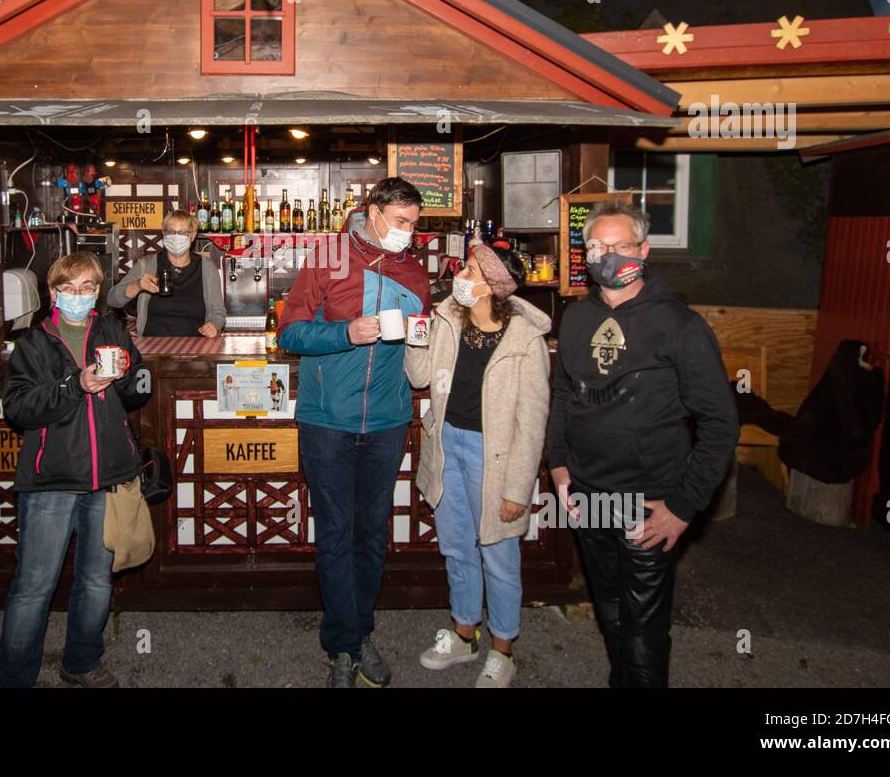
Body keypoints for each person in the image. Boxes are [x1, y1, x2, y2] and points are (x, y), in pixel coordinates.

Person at [545, 200, 738, 687]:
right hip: (589, 494)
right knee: (609, 608)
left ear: (644, 251)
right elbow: (563, 395)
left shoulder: (679, 324)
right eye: (595, 246)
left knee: (644, 627)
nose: (606, 254)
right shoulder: (574, 318)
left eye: (619, 245)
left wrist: (684, 505)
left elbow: (719, 423)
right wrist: (561, 468)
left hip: (649, 500)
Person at [277, 177, 431, 687]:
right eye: (400, 222)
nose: (408, 233)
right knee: (336, 536)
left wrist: (425, 333)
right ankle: (342, 647)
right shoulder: (327, 257)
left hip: (388, 420)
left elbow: (423, 342)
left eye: (414, 224)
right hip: (327, 420)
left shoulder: (414, 269)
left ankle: (360, 633)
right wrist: (346, 332)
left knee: (371, 536)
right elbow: (291, 332)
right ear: (373, 211)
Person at [0, 252, 151, 688]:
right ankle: (14, 677)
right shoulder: (34, 341)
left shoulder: (112, 330)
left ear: (98, 292)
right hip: (52, 479)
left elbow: (141, 387)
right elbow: (19, 408)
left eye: (87, 288)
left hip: (106, 476)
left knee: (96, 582)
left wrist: (128, 377)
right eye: (69, 288)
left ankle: (82, 662)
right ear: (53, 293)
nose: (79, 296)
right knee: (33, 588)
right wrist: (74, 385)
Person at [405, 241, 550, 687]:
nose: (459, 276)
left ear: (492, 285)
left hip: (497, 457)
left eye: (469, 270)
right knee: (456, 547)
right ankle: (464, 632)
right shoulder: (447, 319)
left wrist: (517, 490)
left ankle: (503, 648)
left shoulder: (525, 340)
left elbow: (533, 420)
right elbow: (419, 377)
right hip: (448, 446)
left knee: (499, 553)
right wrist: (417, 336)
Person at [108, 209, 225, 337]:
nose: (176, 237)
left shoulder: (207, 267)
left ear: (192, 236)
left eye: (182, 232)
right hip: (152, 344)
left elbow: (218, 311)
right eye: (171, 232)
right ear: (164, 234)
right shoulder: (147, 265)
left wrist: (214, 325)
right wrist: (138, 285)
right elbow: (113, 299)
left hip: (196, 344)